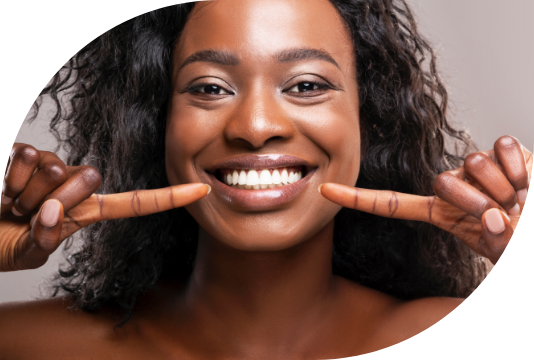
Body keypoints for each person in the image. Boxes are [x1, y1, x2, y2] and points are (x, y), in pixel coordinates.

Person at [0, 0, 531, 358]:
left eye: (304, 85)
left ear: (367, 121)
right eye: (209, 88)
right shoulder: (29, 345)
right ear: (157, 123)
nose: (255, 128)